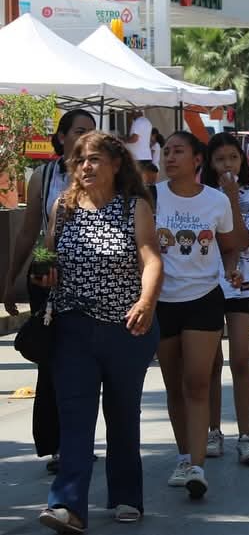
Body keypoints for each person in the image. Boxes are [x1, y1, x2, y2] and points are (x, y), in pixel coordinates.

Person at [35, 132, 162, 532]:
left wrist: (146, 303)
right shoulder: (64, 207)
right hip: (72, 327)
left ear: (116, 164)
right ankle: (67, 506)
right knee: (75, 417)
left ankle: (126, 495)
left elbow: (152, 259)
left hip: (127, 327)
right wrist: (41, 268)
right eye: (80, 160)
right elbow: (46, 249)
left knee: (123, 414)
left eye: (94, 159)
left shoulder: (134, 207)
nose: (86, 166)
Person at [2, 109, 95, 474]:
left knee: (87, 368)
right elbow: (33, 232)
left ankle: (79, 441)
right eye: (78, 131)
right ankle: (57, 445)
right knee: (52, 364)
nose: (85, 137)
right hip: (49, 271)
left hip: (94, 277)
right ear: (60, 138)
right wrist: (13, 277)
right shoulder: (46, 174)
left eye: (91, 131)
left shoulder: (106, 175)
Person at [154, 131, 243, 499]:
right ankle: (184, 455)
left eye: (178, 151)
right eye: (165, 152)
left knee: (197, 382)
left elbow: (230, 246)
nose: (169, 157)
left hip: (204, 297)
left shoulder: (216, 201)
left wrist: (232, 267)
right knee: (174, 385)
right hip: (161, 301)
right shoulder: (149, 197)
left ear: (196, 160)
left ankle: (197, 467)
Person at [201, 133, 249, 464]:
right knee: (211, 363)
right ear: (209, 164)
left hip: (242, 283)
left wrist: (231, 198)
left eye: (233, 158)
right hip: (207, 284)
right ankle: (213, 430)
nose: (227, 165)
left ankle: (246, 434)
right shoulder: (199, 197)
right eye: (220, 159)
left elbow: (242, 240)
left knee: (240, 359)